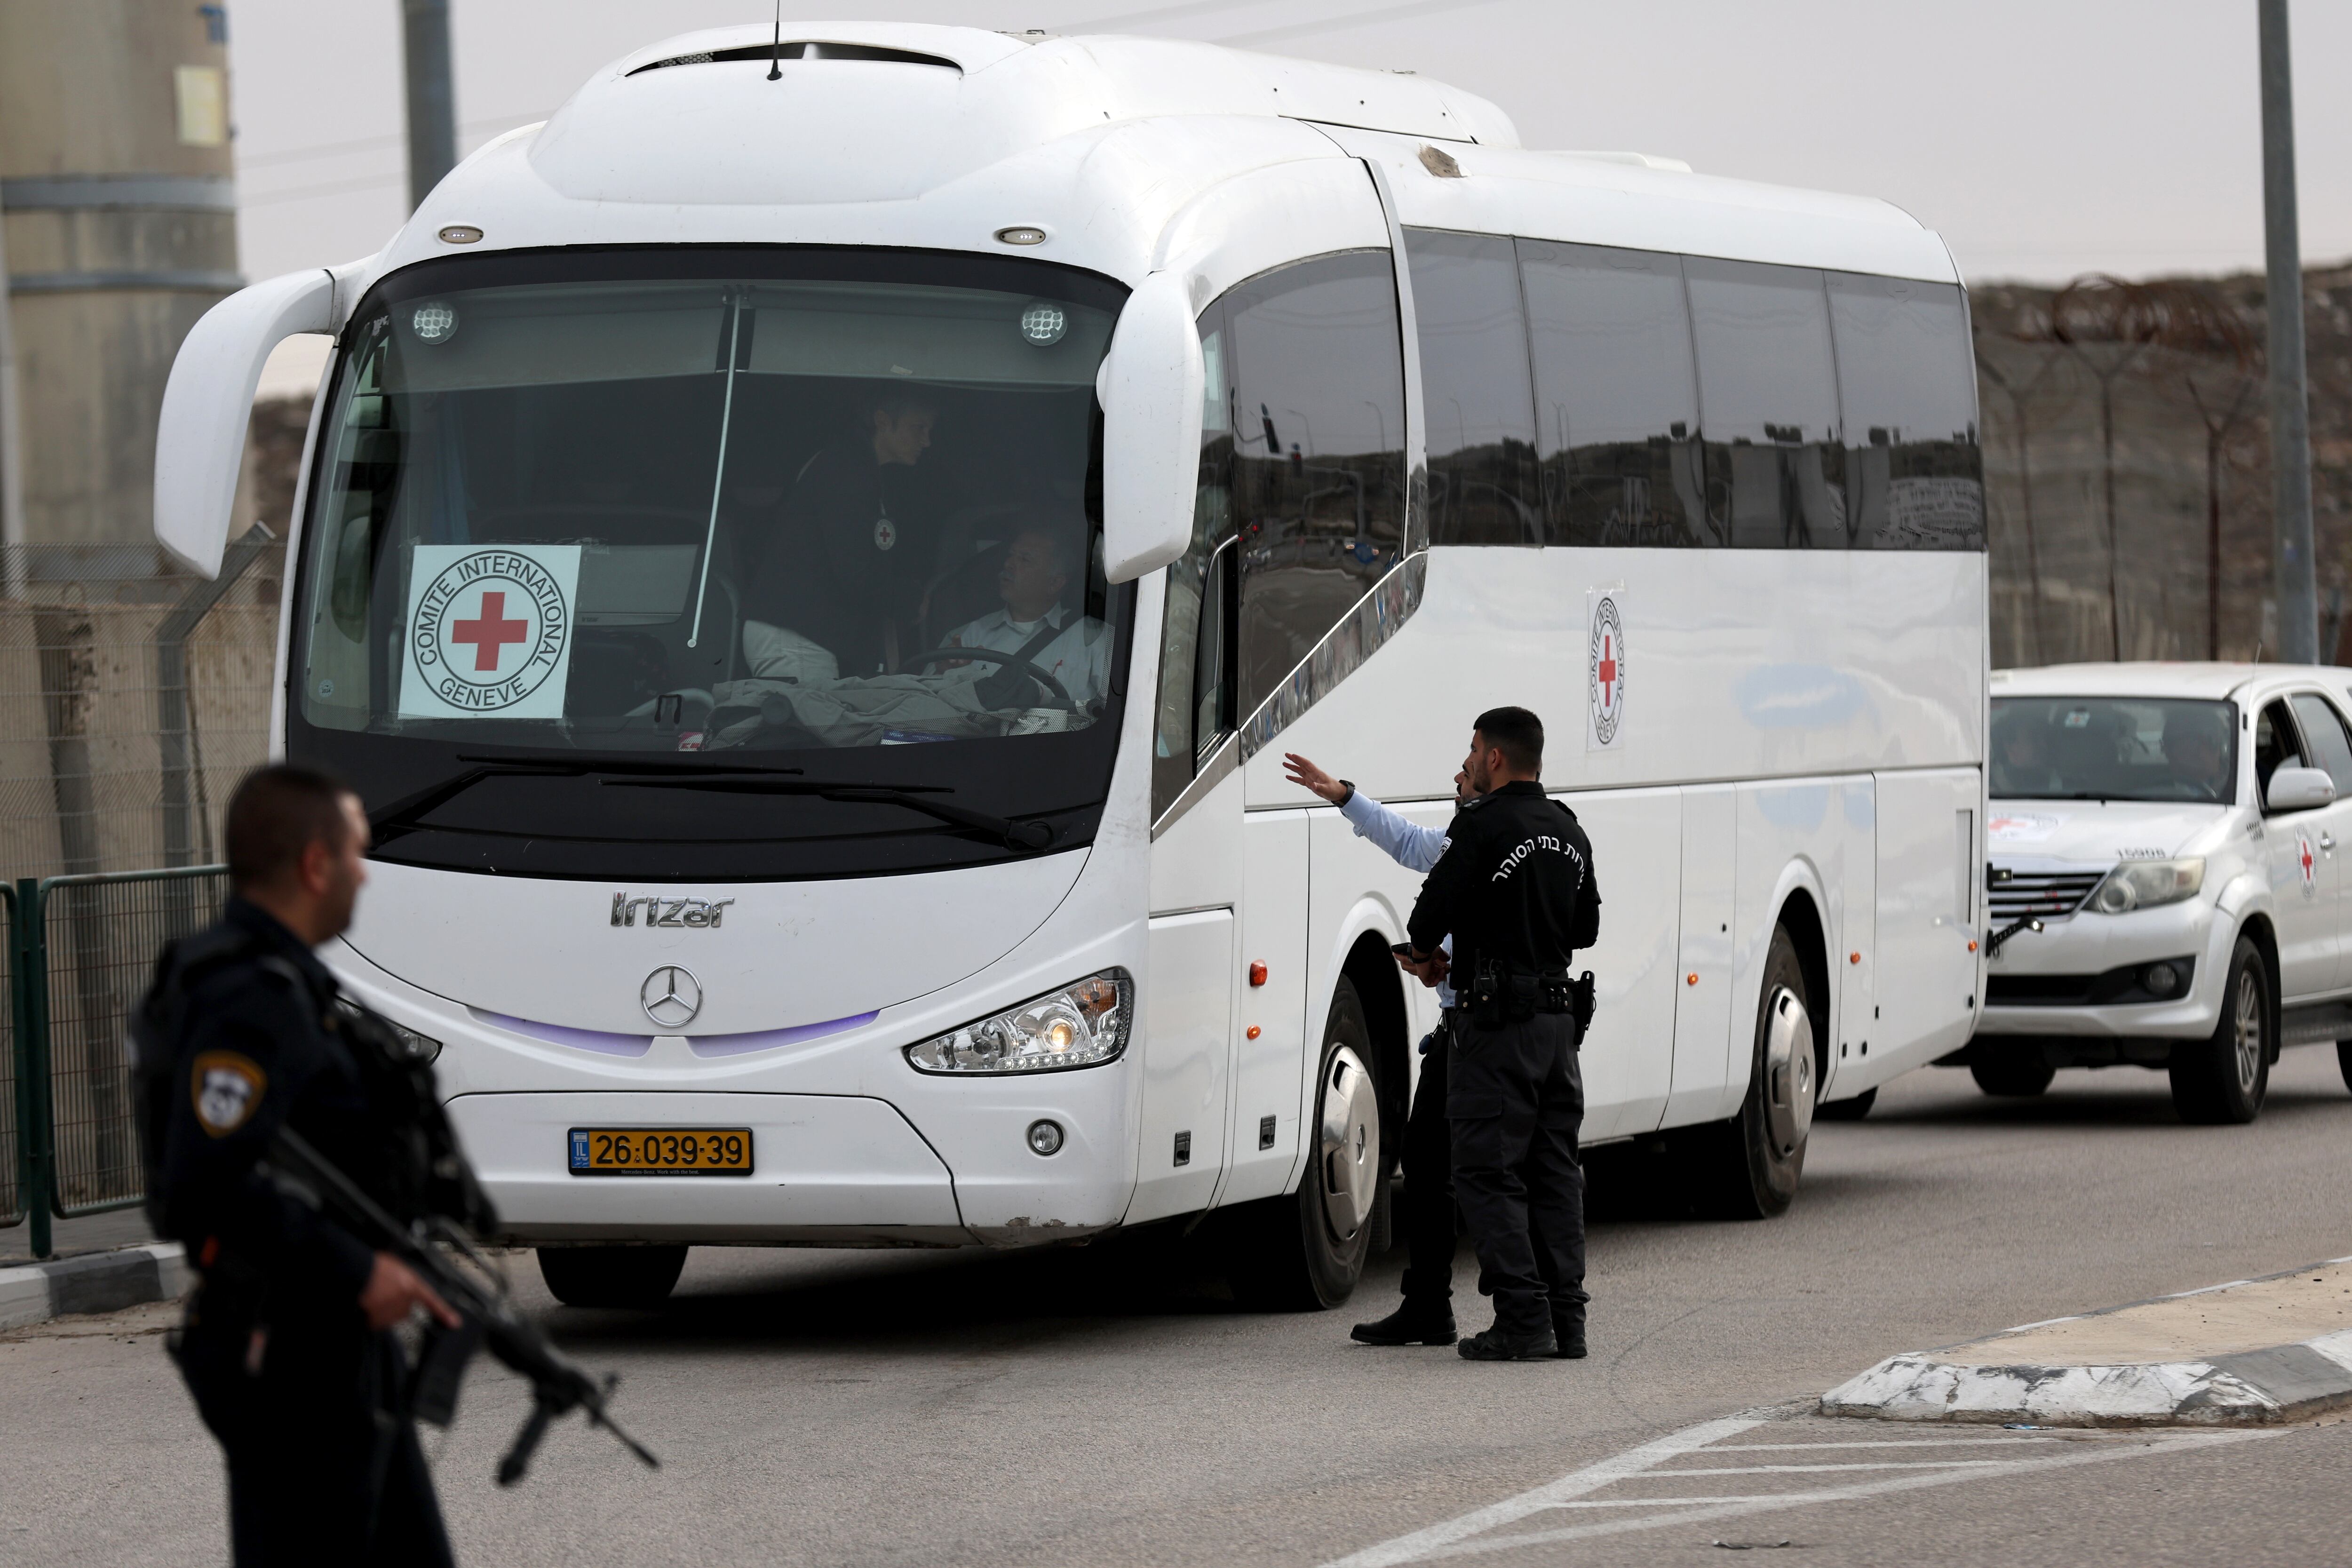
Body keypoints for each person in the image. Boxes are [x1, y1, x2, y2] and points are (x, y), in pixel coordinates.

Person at [149, 765, 462, 1566]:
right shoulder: (246, 995)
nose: (366, 872)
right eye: (358, 853)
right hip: (293, 1353)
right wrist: (357, 1268)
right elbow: (204, 1180)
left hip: (339, 1342)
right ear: (316, 865)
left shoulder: (291, 980)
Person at [1402, 707, 1601, 1361]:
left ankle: (1521, 1318)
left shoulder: (1483, 825)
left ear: (1493, 757)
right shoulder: (1568, 830)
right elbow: (1584, 930)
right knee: (1553, 1174)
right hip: (1557, 1024)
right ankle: (1567, 1322)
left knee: (1488, 1171)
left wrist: (1436, 950)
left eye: (1474, 747)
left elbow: (1428, 916)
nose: (1473, 756)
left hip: (1496, 1028)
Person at [1282, 750, 1475, 1347]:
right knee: (1430, 1160)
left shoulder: (1488, 840)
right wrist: (1346, 798)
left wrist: (1447, 965)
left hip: (1482, 1028)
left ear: (1494, 764)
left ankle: (1517, 1311)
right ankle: (1435, 1305)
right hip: (1467, 1023)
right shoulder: (1478, 837)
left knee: (1474, 1166)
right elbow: (1411, 843)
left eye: (1466, 767)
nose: (1455, 775)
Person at [747, 389, 939, 678]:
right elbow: (854, 573)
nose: (926, 441)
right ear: (883, 421)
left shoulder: (854, 468)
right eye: (918, 428)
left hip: (802, 633)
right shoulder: (846, 474)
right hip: (796, 637)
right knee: (813, 725)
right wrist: (909, 597)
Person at [937, 523, 1112, 709]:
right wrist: (946, 676)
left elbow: (1115, 711)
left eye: (1025, 560)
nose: (1009, 564)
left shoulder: (1094, 638)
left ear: (1054, 583)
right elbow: (922, 702)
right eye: (1011, 555)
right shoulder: (967, 637)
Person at [2161, 706, 2233, 801]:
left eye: (2211, 742)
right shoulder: (2149, 791)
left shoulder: (2238, 783)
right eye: (2192, 744)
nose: (2200, 752)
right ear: (2167, 750)